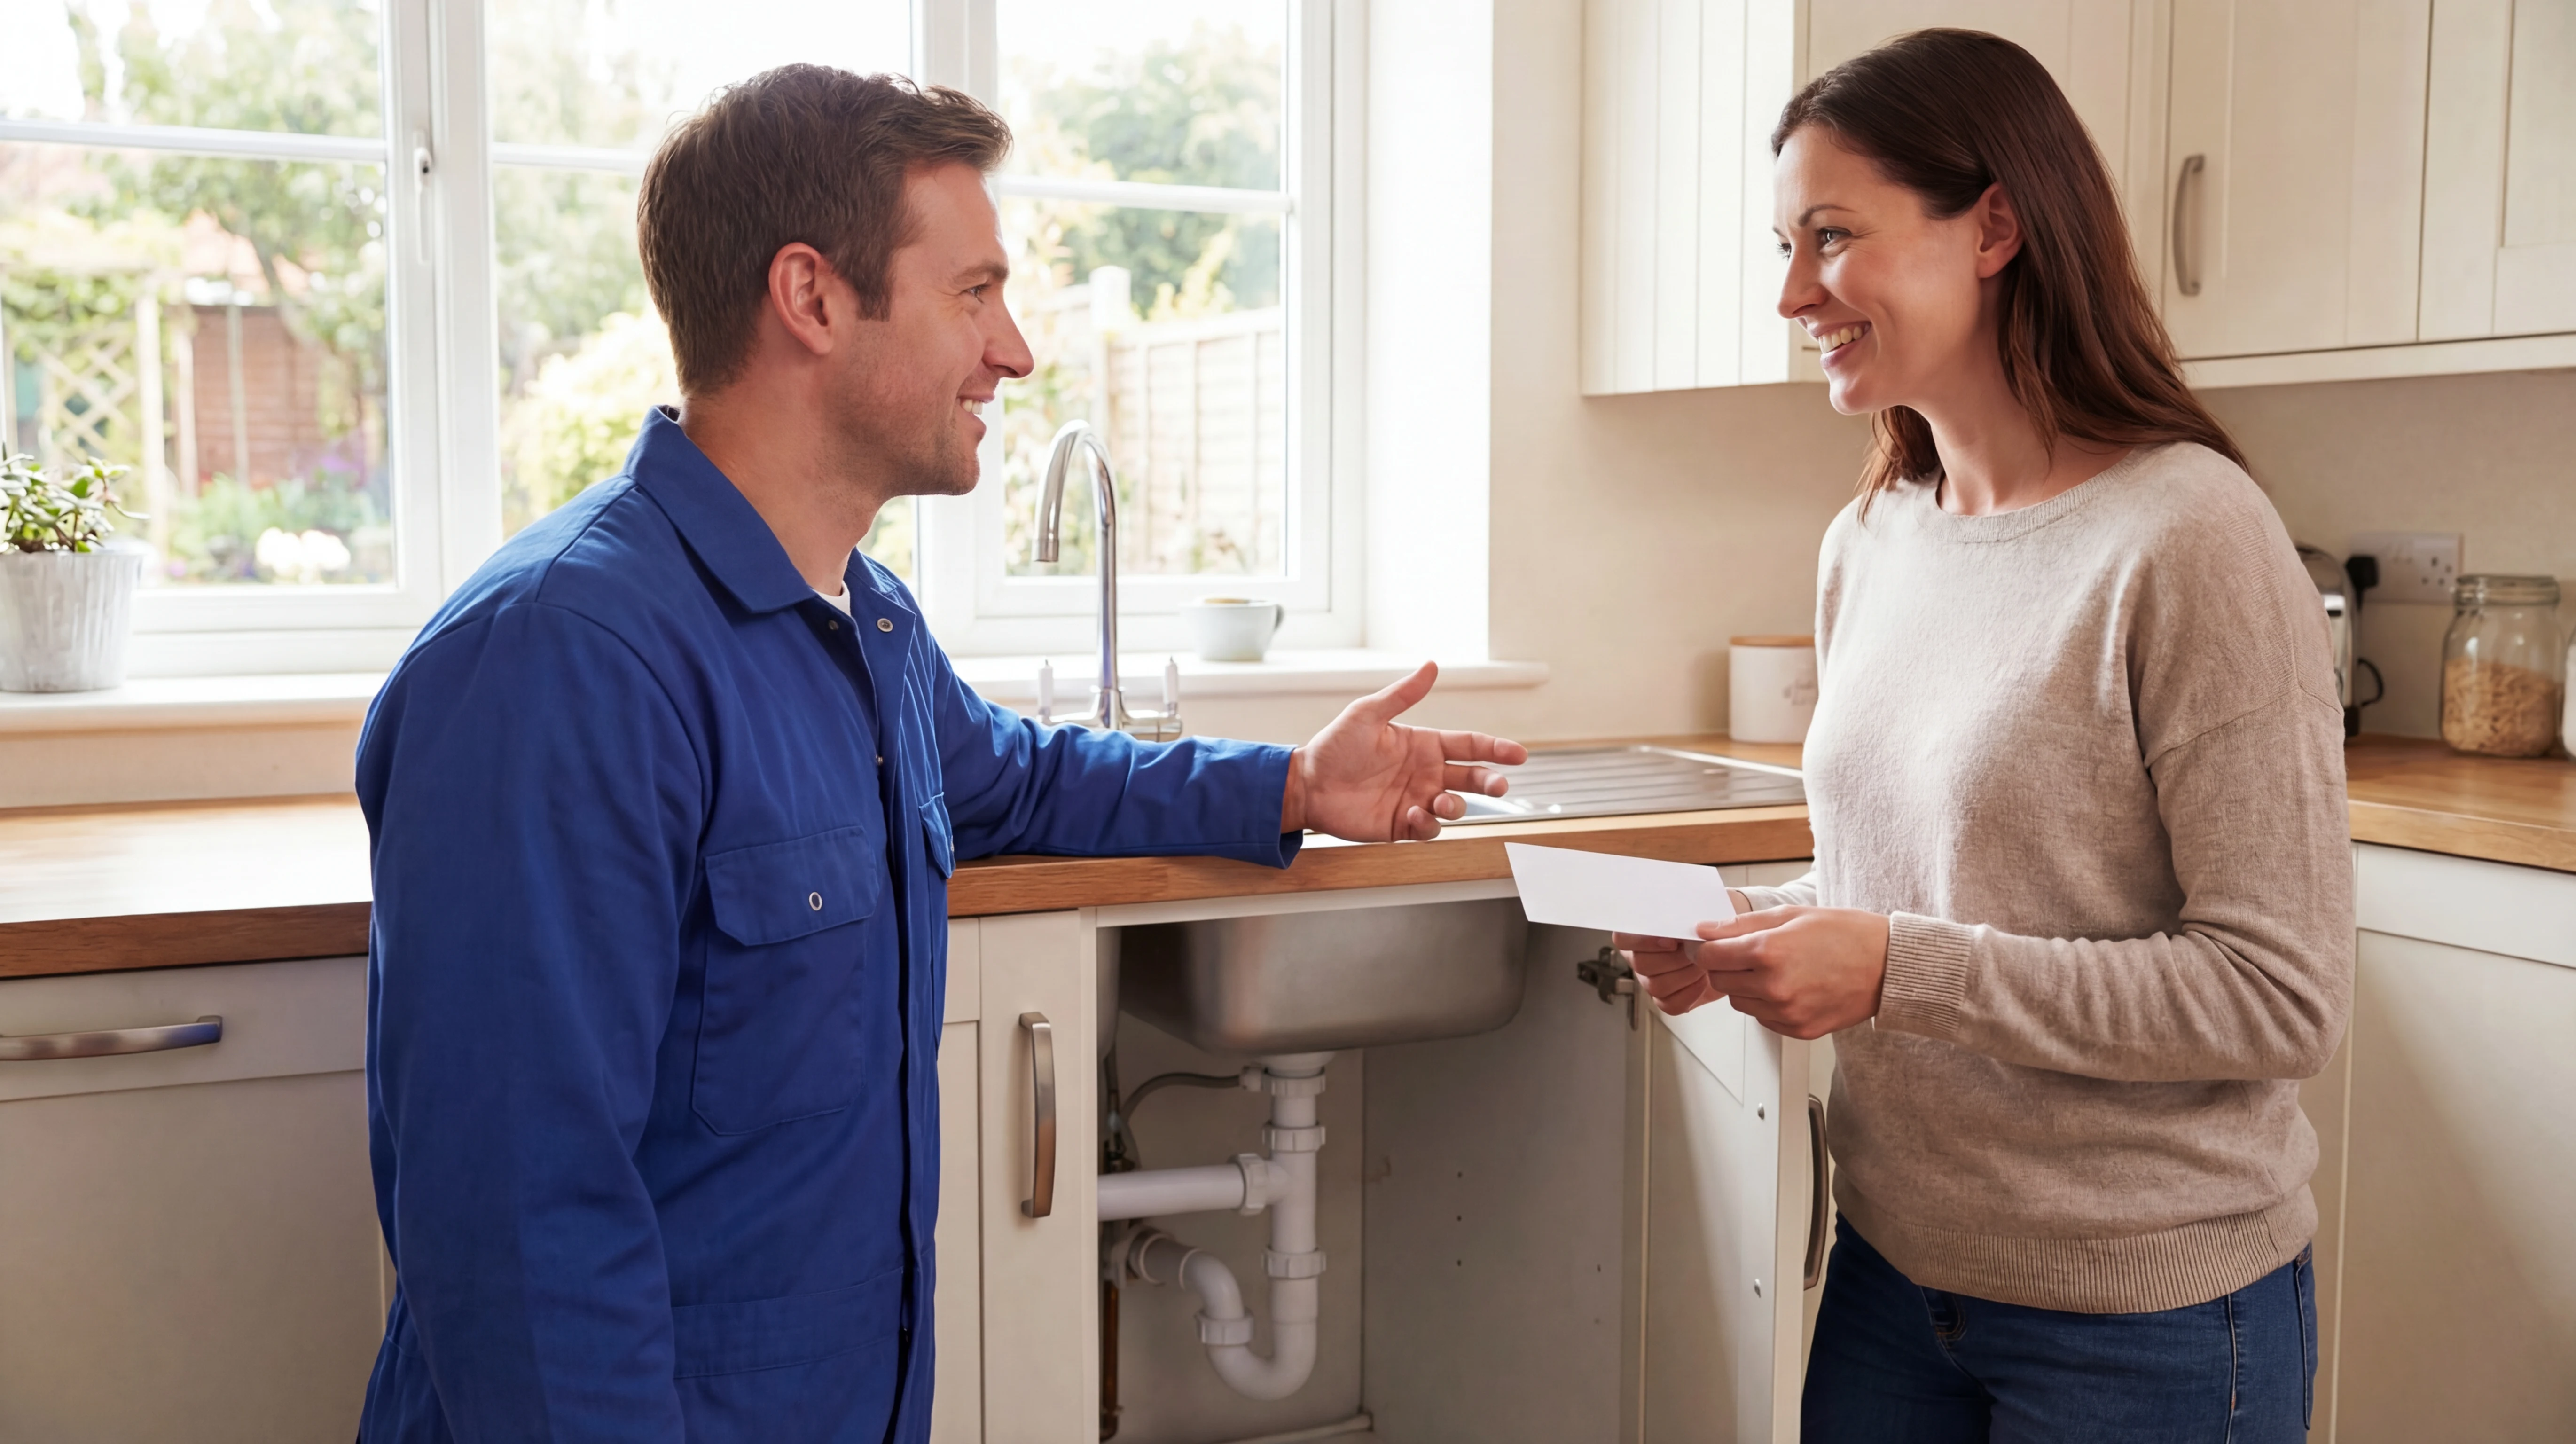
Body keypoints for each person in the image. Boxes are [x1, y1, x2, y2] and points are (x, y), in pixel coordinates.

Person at [355, 66, 1523, 1443]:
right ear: (813, 297)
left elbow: (1018, 779)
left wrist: (1287, 786)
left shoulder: (865, 614)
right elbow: (516, 1222)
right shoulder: (563, 660)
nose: (1015, 349)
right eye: (974, 293)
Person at [1618, 30, 2351, 1444]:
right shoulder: (1870, 540)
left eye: (1834, 237)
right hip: (1895, 1278)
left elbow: (2279, 994)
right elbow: (1918, 903)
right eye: (1785, 243)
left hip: (2147, 1319)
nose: (1792, 293)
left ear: (1998, 224)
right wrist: (1767, 936)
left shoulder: (2190, 536)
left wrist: (1891, 967)